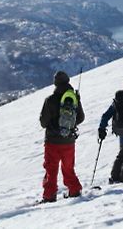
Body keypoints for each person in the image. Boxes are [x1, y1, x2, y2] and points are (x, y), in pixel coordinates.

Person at [39, 70, 85, 203]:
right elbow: (81, 118)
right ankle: (74, 190)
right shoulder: (73, 98)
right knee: (68, 167)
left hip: (52, 141)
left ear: (55, 83)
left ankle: (49, 196)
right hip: (69, 140)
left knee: (51, 169)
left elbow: (43, 122)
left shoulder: (50, 100)